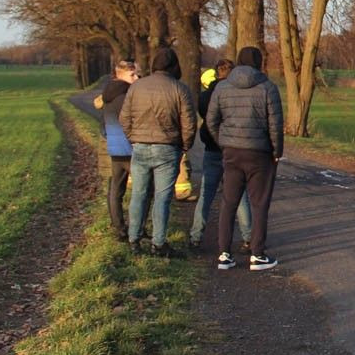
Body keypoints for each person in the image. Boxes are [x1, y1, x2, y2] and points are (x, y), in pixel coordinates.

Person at [207, 46, 283, 271]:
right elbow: (275, 125)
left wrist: (223, 141)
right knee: (259, 204)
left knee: (228, 202)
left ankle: (224, 254)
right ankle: (257, 254)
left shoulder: (222, 87)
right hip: (260, 153)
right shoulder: (268, 87)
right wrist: (276, 152)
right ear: (259, 62)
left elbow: (211, 120)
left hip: (231, 151)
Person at [119, 46, 197, 257]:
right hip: (168, 148)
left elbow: (124, 118)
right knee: (163, 198)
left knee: (138, 194)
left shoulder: (137, 87)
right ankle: (158, 243)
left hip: (140, 147)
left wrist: (133, 138)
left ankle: (134, 240)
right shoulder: (180, 89)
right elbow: (189, 124)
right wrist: (184, 146)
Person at [189, 59, 253, 252]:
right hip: (234, 150)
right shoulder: (240, 94)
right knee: (240, 195)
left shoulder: (206, 96)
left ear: (216, 73)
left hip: (212, 149)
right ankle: (248, 238)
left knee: (206, 195)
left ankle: (195, 236)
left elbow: (204, 116)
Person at [99, 59, 139, 239]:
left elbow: (103, 126)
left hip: (115, 149)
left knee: (116, 190)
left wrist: (112, 140)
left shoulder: (107, 96)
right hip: (131, 149)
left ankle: (119, 228)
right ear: (122, 75)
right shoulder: (127, 96)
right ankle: (136, 228)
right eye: (133, 75)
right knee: (143, 189)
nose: (136, 78)